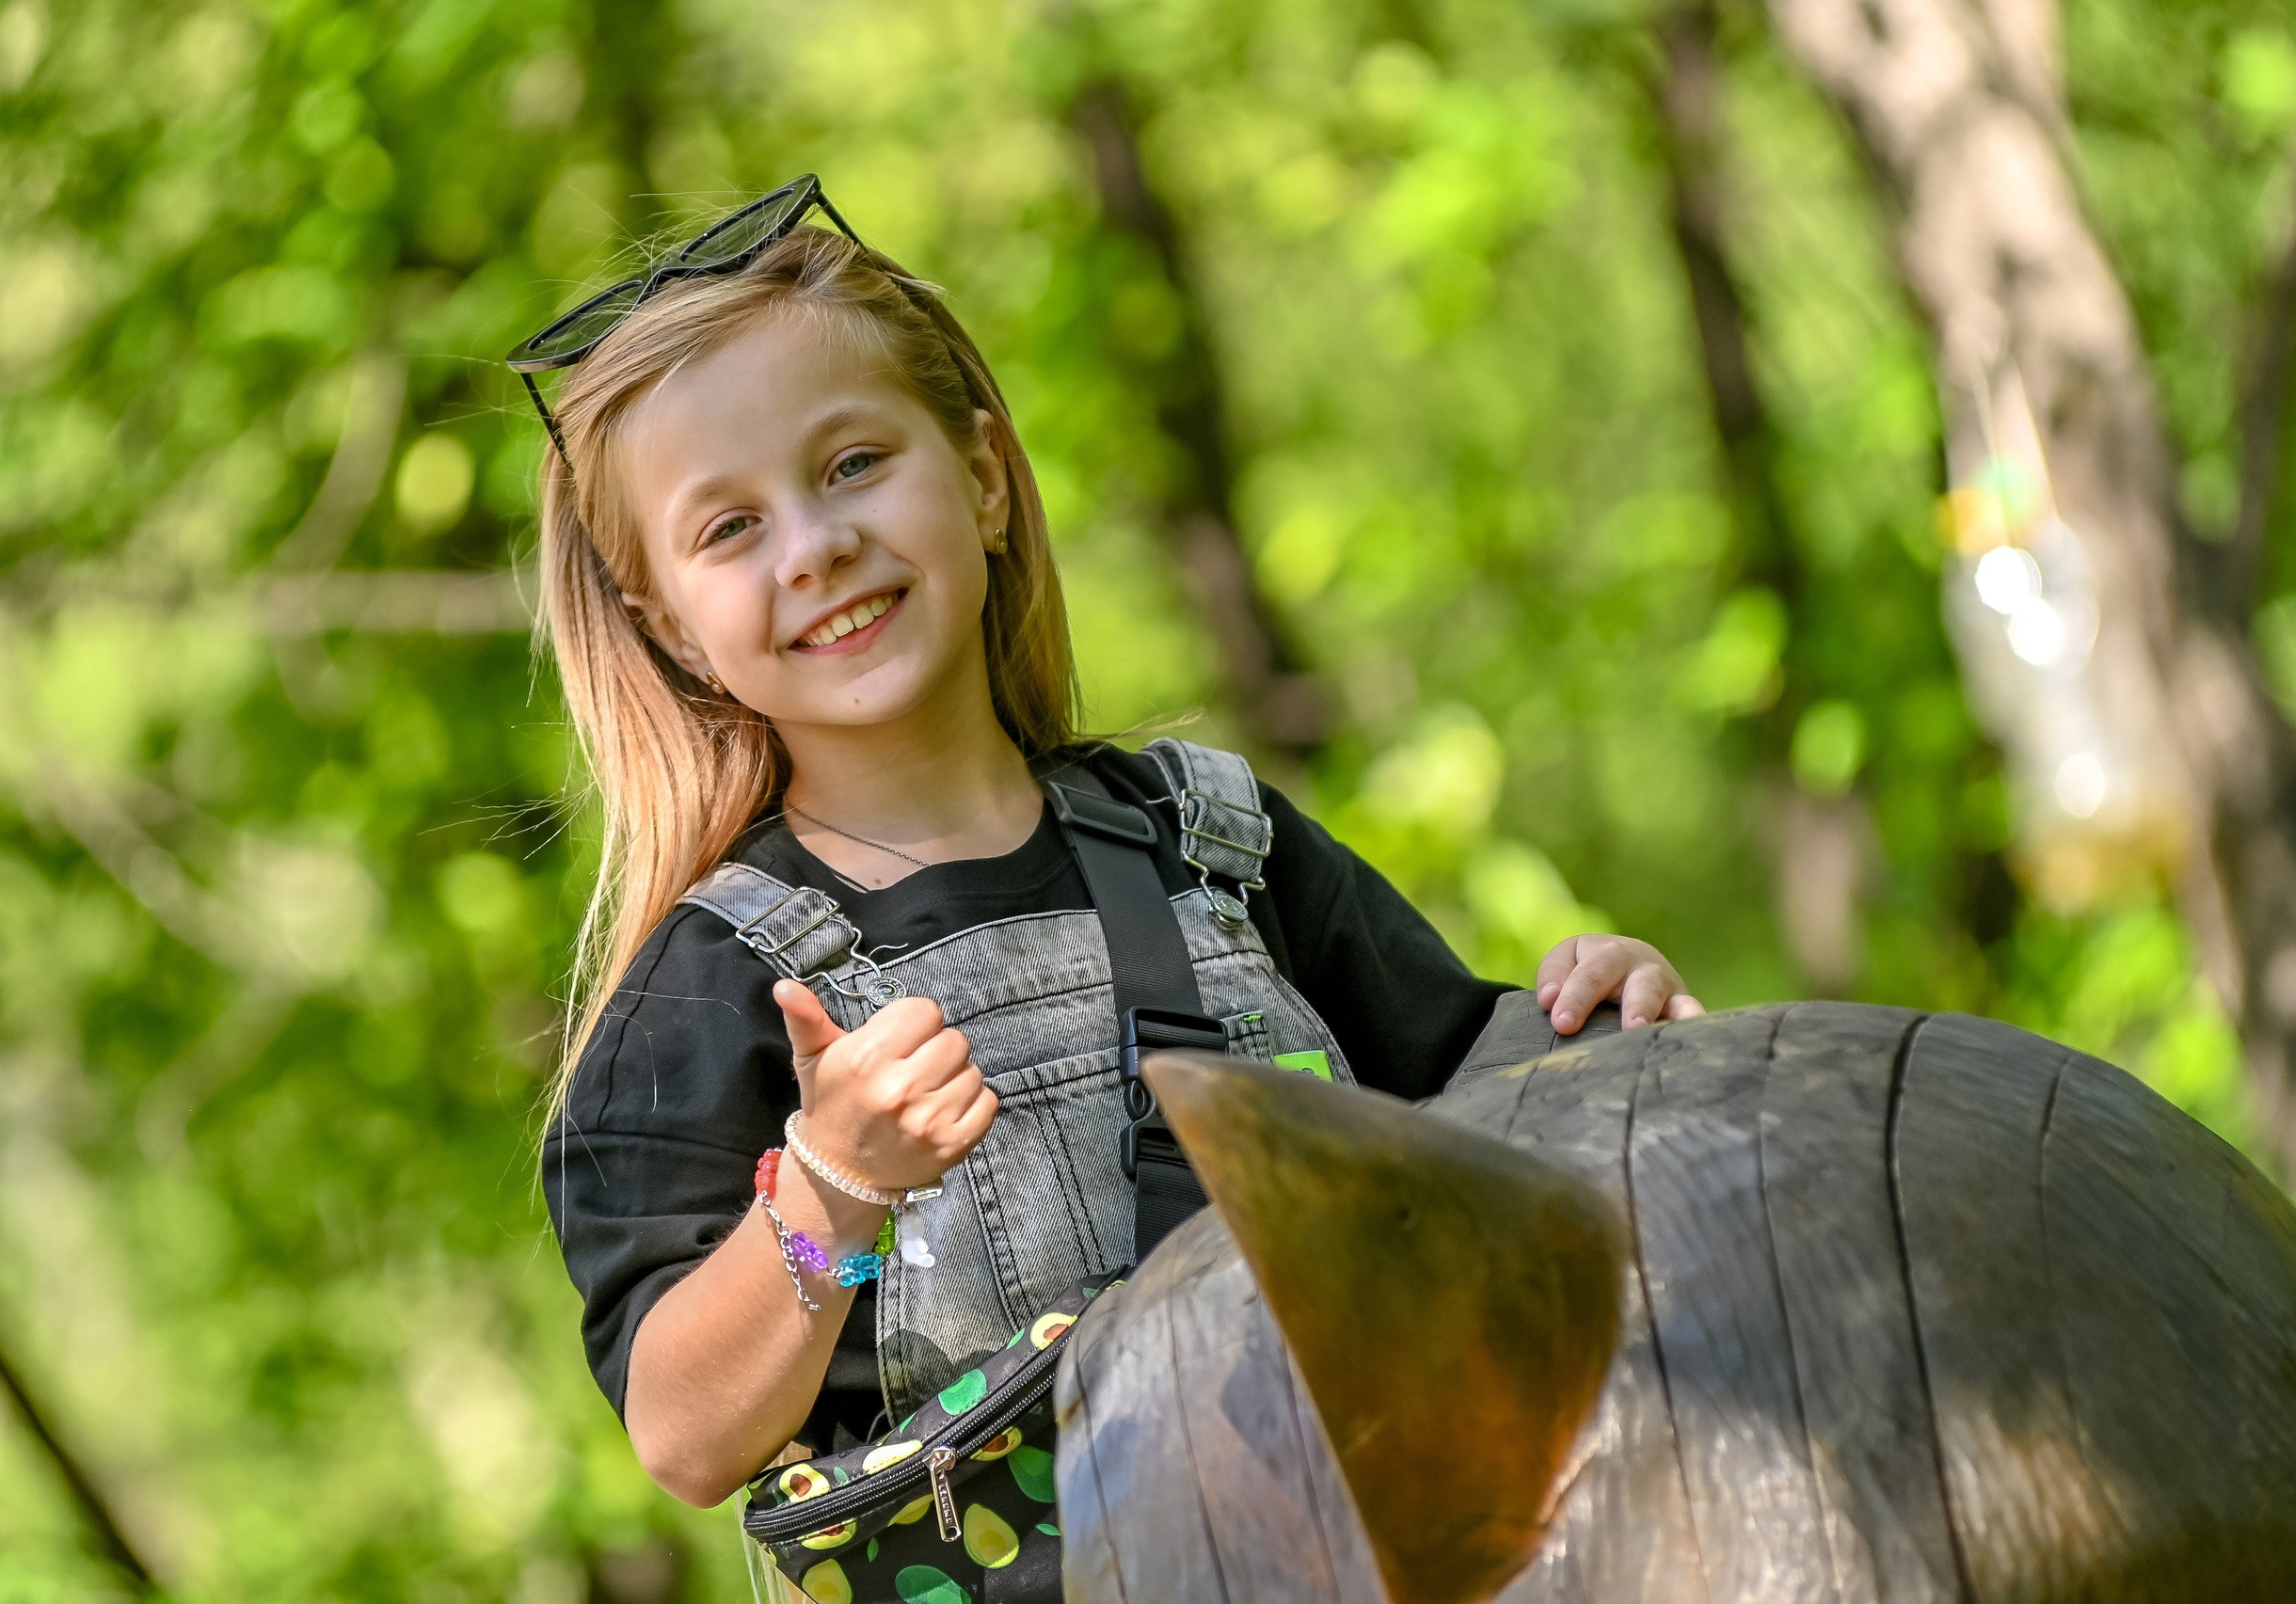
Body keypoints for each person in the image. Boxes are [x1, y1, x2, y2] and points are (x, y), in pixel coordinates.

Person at [530, 180, 1703, 1525]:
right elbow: (682, 1434)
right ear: (673, 628)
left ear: (979, 475)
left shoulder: (1214, 841)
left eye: (854, 463)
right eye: (729, 528)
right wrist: (831, 1185)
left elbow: (1481, 1104)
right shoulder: (710, 986)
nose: (817, 544)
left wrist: (1611, 1020)